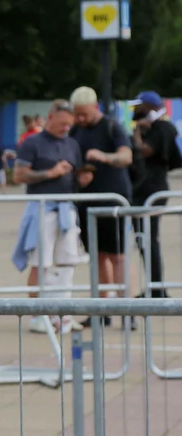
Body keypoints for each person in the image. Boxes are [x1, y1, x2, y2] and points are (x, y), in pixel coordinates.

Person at [12, 99, 86, 333]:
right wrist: (50, 173)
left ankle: (62, 314)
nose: (66, 128)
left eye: (69, 124)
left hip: (67, 208)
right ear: (50, 118)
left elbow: (77, 173)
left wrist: (83, 178)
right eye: (62, 123)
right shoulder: (32, 142)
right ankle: (38, 315)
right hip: (43, 208)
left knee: (67, 262)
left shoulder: (72, 144)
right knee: (40, 263)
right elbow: (19, 175)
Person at [68, 86, 133, 326]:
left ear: (95, 107)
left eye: (84, 114)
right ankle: (101, 311)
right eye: (77, 114)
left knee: (118, 257)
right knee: (97, 257)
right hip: (87, 201)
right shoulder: (75, 130)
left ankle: (128, 311)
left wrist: (105, 156)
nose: (80, 118)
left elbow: (126, 157)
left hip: (113, 200)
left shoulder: (112, 126)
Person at [129, 91, 181, 298]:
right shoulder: (149, 128)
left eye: (140, 106)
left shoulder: (163, 128)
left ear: (151, 108)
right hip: (140, 190)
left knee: (149, 240)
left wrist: (137, 133)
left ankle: (157, 289)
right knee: (143, 241)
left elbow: (145, 151)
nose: (136, 111)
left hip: (152, 191)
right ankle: (154, 287)